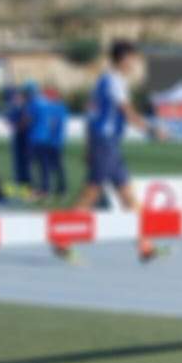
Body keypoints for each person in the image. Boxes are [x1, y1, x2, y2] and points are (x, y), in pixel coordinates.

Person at [71, 41, 165, 263]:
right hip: (106, 143)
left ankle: (145, 246)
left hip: (107, 143)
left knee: (128, 195)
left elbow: (91, 115)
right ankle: (63, 238)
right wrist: (151, 130)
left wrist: (87, 146)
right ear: (122, 59)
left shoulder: (105, 80)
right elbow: (127, 111)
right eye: (132, 58)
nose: (134, 63)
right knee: (91, 194)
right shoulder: (114, 81)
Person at [29, 87, 68, 202]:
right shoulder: (59, 107)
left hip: (48, 141)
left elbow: (53, 123)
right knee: (55, 166)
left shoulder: (52, 107)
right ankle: (59, 189)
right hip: (53, 141)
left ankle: (47, 190)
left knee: (45, 166)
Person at [5, 84, 34, 193]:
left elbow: (28, 121)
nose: (15, 99)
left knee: (25, 162)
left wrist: (18, 125)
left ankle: (27, 185)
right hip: (17, 137)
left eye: (17, 97)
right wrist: (13, 124)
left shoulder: (27, 107)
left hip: (25, 137)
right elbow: (8, 120)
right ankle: (19, 184)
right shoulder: (13, 108)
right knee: (17, 162)